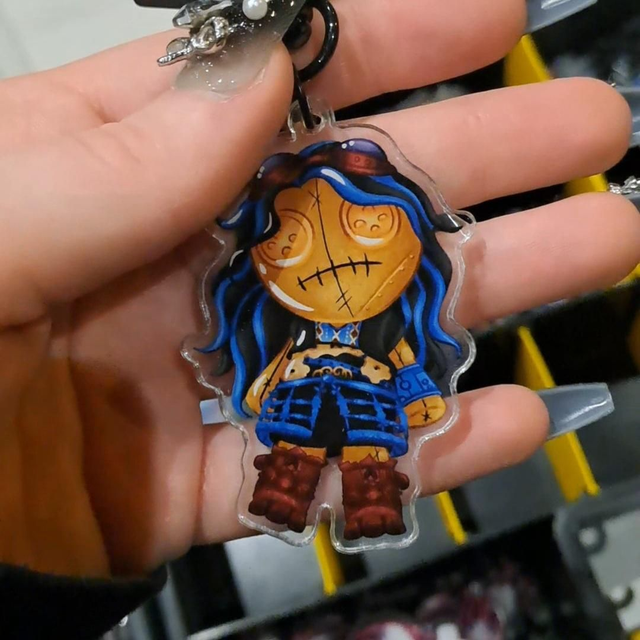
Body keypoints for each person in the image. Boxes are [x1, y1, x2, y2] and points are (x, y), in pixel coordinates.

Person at [0, 1, 638, 637]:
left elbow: (407, 362)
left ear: (413, 235)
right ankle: (283, 495)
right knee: (291, 454)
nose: (330, 260)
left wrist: (417, 395)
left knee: (370, 457)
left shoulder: (390, 329)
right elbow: (269, 365)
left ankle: (372, 504)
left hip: (368, 402)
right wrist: (255, 390)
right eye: (289, 240)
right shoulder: (281, 323)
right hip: (299, 399)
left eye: (368, 225)